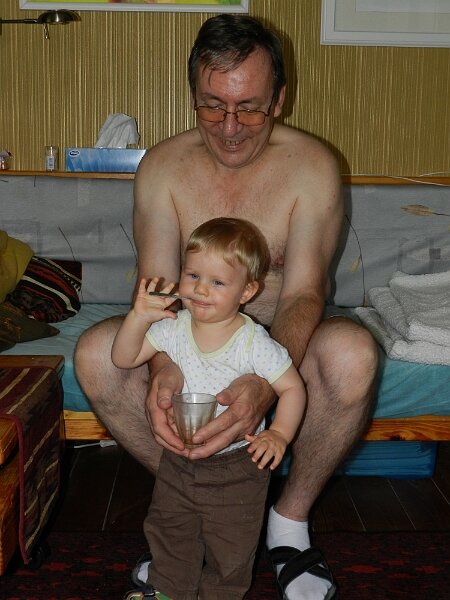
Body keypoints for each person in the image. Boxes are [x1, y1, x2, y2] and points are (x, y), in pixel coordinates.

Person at [74, 13, 378, 600]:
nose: (231, 127)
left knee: (353, 353)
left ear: (279, 99)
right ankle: (196, 503)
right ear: (192, 95)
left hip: (281, 342)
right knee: (94, 354)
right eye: (213, 106)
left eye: (250, 108)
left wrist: (262, 382)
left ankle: (286, 526)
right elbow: (158, 292)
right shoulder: (162, 167)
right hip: (190, 342)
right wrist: (166, 367)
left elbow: (304, 292)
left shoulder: (311, 167)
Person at [112, 217, 307, 600]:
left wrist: (279, 434)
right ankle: (167, 591)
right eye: (193, 275)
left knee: (231, 547)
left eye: (217, 282)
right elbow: (124, 357)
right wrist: (138, 317)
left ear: (247, 291)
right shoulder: (173, 327)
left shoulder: (253, 342)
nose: (200, 289)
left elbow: (293, 388)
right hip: (178, 459)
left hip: (238, 466)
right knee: (169, 529)